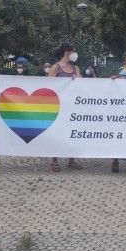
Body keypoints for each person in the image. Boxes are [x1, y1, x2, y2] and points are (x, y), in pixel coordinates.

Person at [47, 44, 82, 172]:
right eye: (74, 51)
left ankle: (71, 160)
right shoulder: (56, 68)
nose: (75, 54)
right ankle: (54, 160)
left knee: (72, 132)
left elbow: (82, 85)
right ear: (67, 52)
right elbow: (48, 86)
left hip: (73, 106)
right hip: (59, 106)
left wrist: (78, 80)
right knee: (57, 133)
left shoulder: (75, 68)